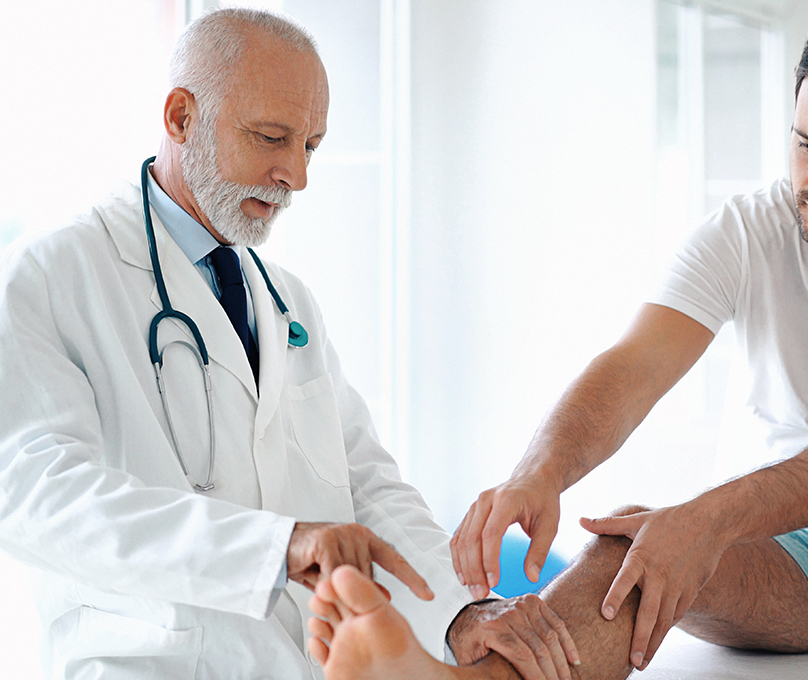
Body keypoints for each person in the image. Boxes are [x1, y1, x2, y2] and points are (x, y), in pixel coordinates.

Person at [443, 9, 808, 680]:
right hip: (801, 560)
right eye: (806, 145)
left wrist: (712, 515)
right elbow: (635, 365)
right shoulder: (746, 229)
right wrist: (538, 472)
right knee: (638, 542)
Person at [0, 9, 577, 680]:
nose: (295, 176)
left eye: (311, 145)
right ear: (181, 117)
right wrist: (277, 547)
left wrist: (456, 611)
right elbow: (39, 498)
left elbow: (365, 481)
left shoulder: (287, 301)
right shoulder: (49, 277)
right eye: (272, 137)